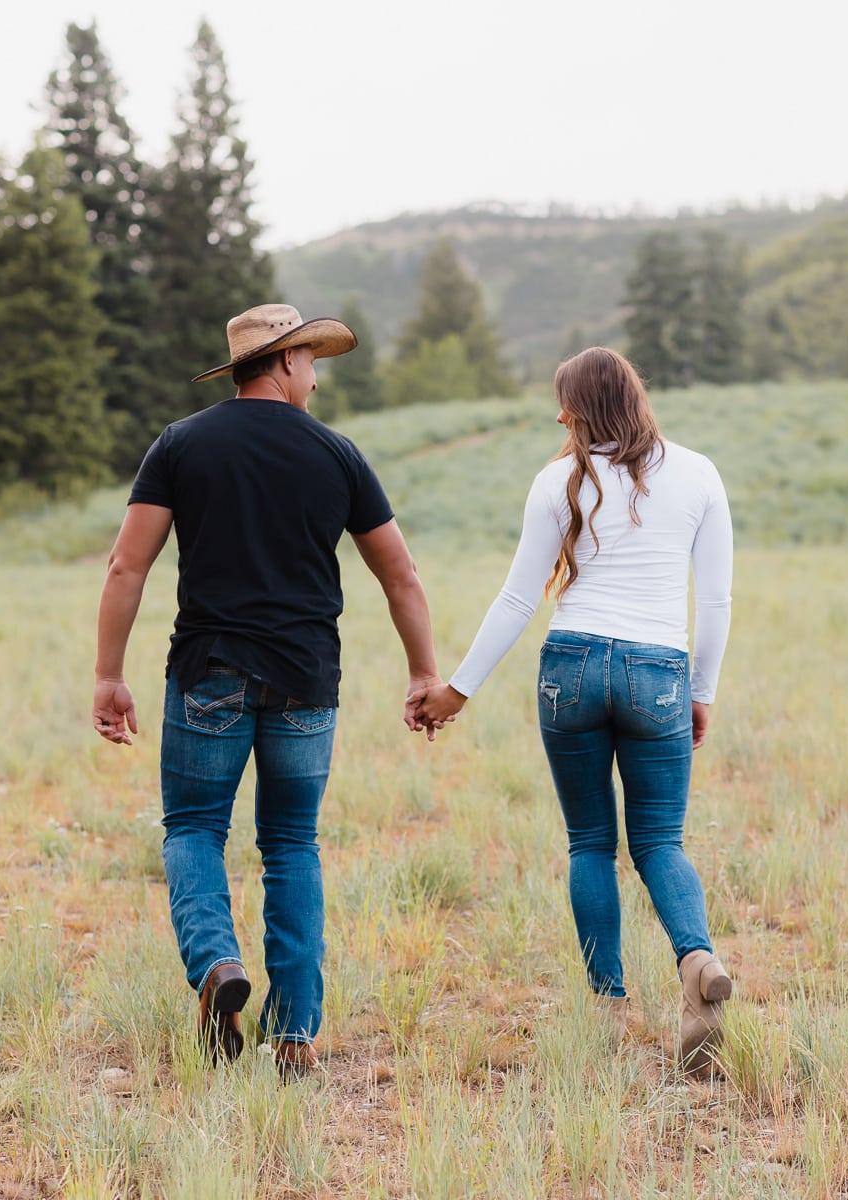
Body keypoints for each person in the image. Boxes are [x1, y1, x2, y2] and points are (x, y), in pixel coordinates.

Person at [93, 303, 444, 1081]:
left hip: (208, 671)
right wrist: (423, 671)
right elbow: (400, 574)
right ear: (283, 364)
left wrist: (109, 675)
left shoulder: (181, 444)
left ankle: (217, 965)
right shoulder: (337, 454)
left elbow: (126, 566)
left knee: (192, 829)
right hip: (307, 679)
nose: (316, 378)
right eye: (311, 362)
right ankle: (295, 1038)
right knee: (291, 845)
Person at [411, 346, 733, 1069]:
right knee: (660, 843)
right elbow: (714, 603)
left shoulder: (557, 479)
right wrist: (700, 692)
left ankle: (609, 1005)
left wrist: (456, 690)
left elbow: (519, 598)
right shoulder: (699, 474)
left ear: (576, 410)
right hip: (659, 671)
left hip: (573, 665)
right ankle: (696, 964)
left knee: (591, 842)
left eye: (561, 403)